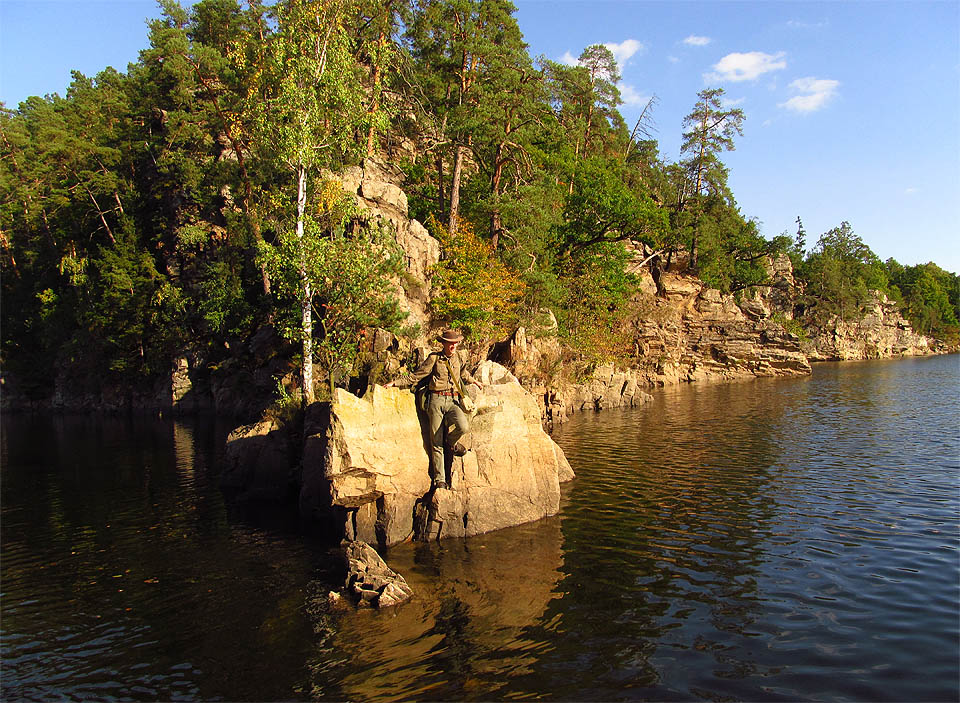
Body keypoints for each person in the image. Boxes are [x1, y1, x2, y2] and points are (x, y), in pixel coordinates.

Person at [385, 329, 483, 490]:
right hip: (436, 400)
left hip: (453, 400)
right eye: (450, 343)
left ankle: (451, 444)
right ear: (443, 343)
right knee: (435, 441)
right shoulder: (434, 359)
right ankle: (440, 479)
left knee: (463, 426)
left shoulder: (459, 358)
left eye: (455, 343)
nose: (453, 346)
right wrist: (394, 383)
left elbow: (463, 374)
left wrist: (475, 382)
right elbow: (416, 375)